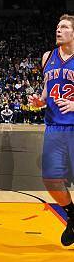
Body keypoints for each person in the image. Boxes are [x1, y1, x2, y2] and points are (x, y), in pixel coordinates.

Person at [29, 14, 74, 247]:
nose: (58, 30)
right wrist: (40, 101)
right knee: (51, 179)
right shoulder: (48, 57)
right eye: (57, 26)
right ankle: (72, 216)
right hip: (54, 127)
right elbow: (47, 90)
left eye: (64, 27)